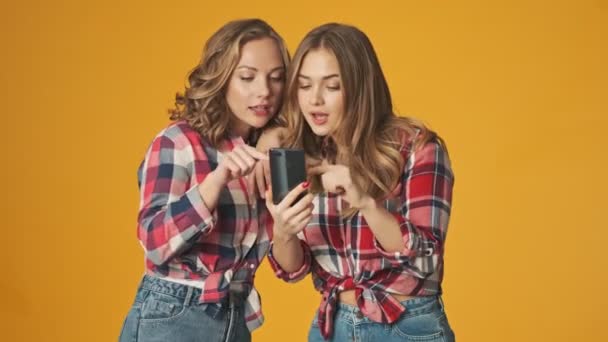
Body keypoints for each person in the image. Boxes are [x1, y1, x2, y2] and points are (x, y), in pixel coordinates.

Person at [263, 23, 456, 341]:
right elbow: (294, 270)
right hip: (332, 326)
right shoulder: (300, 154)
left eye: (333, 86)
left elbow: (426, 258)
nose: (315, 99)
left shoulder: (416, 148)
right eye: (304, 85)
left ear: (360, 86)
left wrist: (366, 202)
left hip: (406, 326)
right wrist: (282, 233)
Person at [119, 18, 290, 342]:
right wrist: (215, 181)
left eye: (276, 78)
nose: (264, 91)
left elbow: (290, 268)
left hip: (236, 317)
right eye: (247, 77)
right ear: (221, 79)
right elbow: (154, 242)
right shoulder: (179, 142)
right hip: (175, 313)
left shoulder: (272, 152)